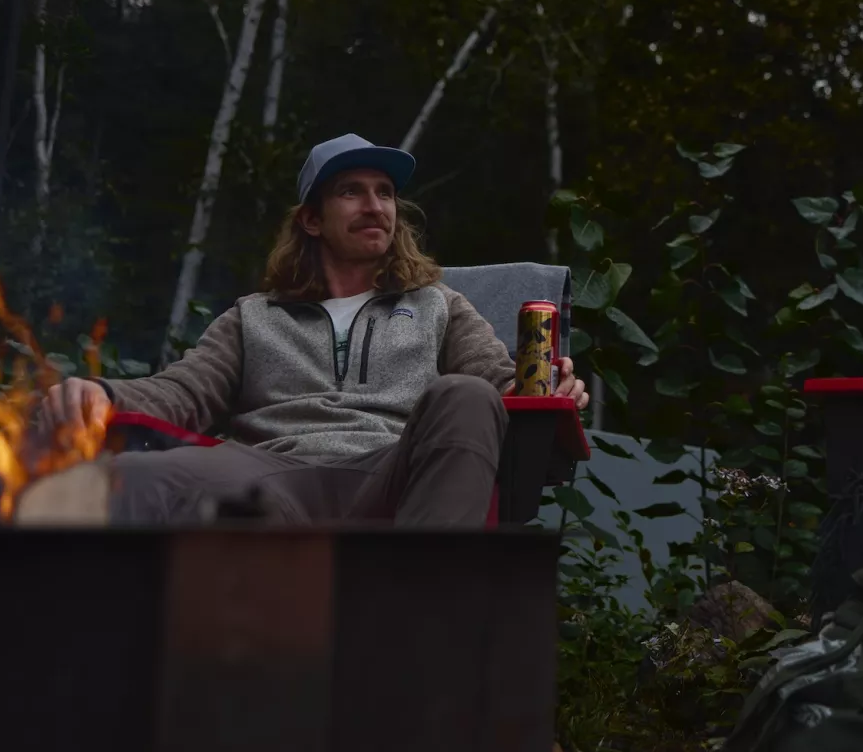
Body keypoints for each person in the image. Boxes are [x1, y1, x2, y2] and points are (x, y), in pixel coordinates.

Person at [37, 133, 588, 526]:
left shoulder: (437, 304)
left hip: (392, 471)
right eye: (352, 191)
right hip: (272, 471)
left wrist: (548, 385)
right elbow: (183, 391)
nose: (375, 206)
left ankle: (425, 612)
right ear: (311, 219)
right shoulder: (254, 316)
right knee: (130, 476)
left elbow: (498, 383)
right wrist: (101, 393)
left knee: (466, 395)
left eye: (385, 192)